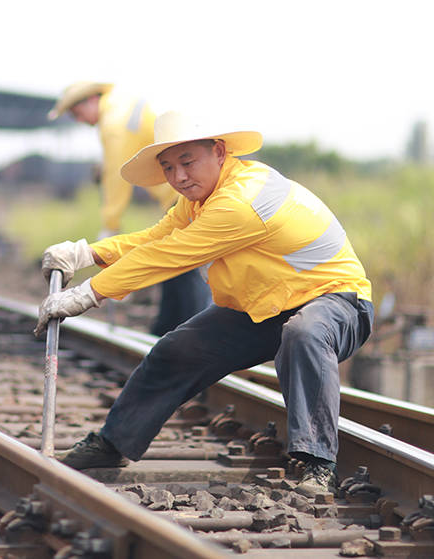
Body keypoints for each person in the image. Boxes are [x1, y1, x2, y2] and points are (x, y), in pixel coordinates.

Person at [34, 111, 373, 497]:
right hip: (265, 305)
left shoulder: (241, 201)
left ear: (219, 152)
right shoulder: (201, 199)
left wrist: (88, 294)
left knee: (304, 333)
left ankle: (316, 463)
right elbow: (155, 238)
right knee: (177, 349)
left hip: (336, 300)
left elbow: (170, 255)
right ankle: (113, 444)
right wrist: (85, 253)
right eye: (168, 168)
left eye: (187, 162)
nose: (178, 177)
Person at [48, 82, 211, 335]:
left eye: (77, 114)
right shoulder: (123, 105)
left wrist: (110, 224)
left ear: (90, 100)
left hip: (186, 195)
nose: (79, 120)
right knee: (173, 270)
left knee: (184, 266)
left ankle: (194, 334)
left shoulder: (113, 124)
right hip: (183, 195)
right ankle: (167, 332)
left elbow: (117, 176)